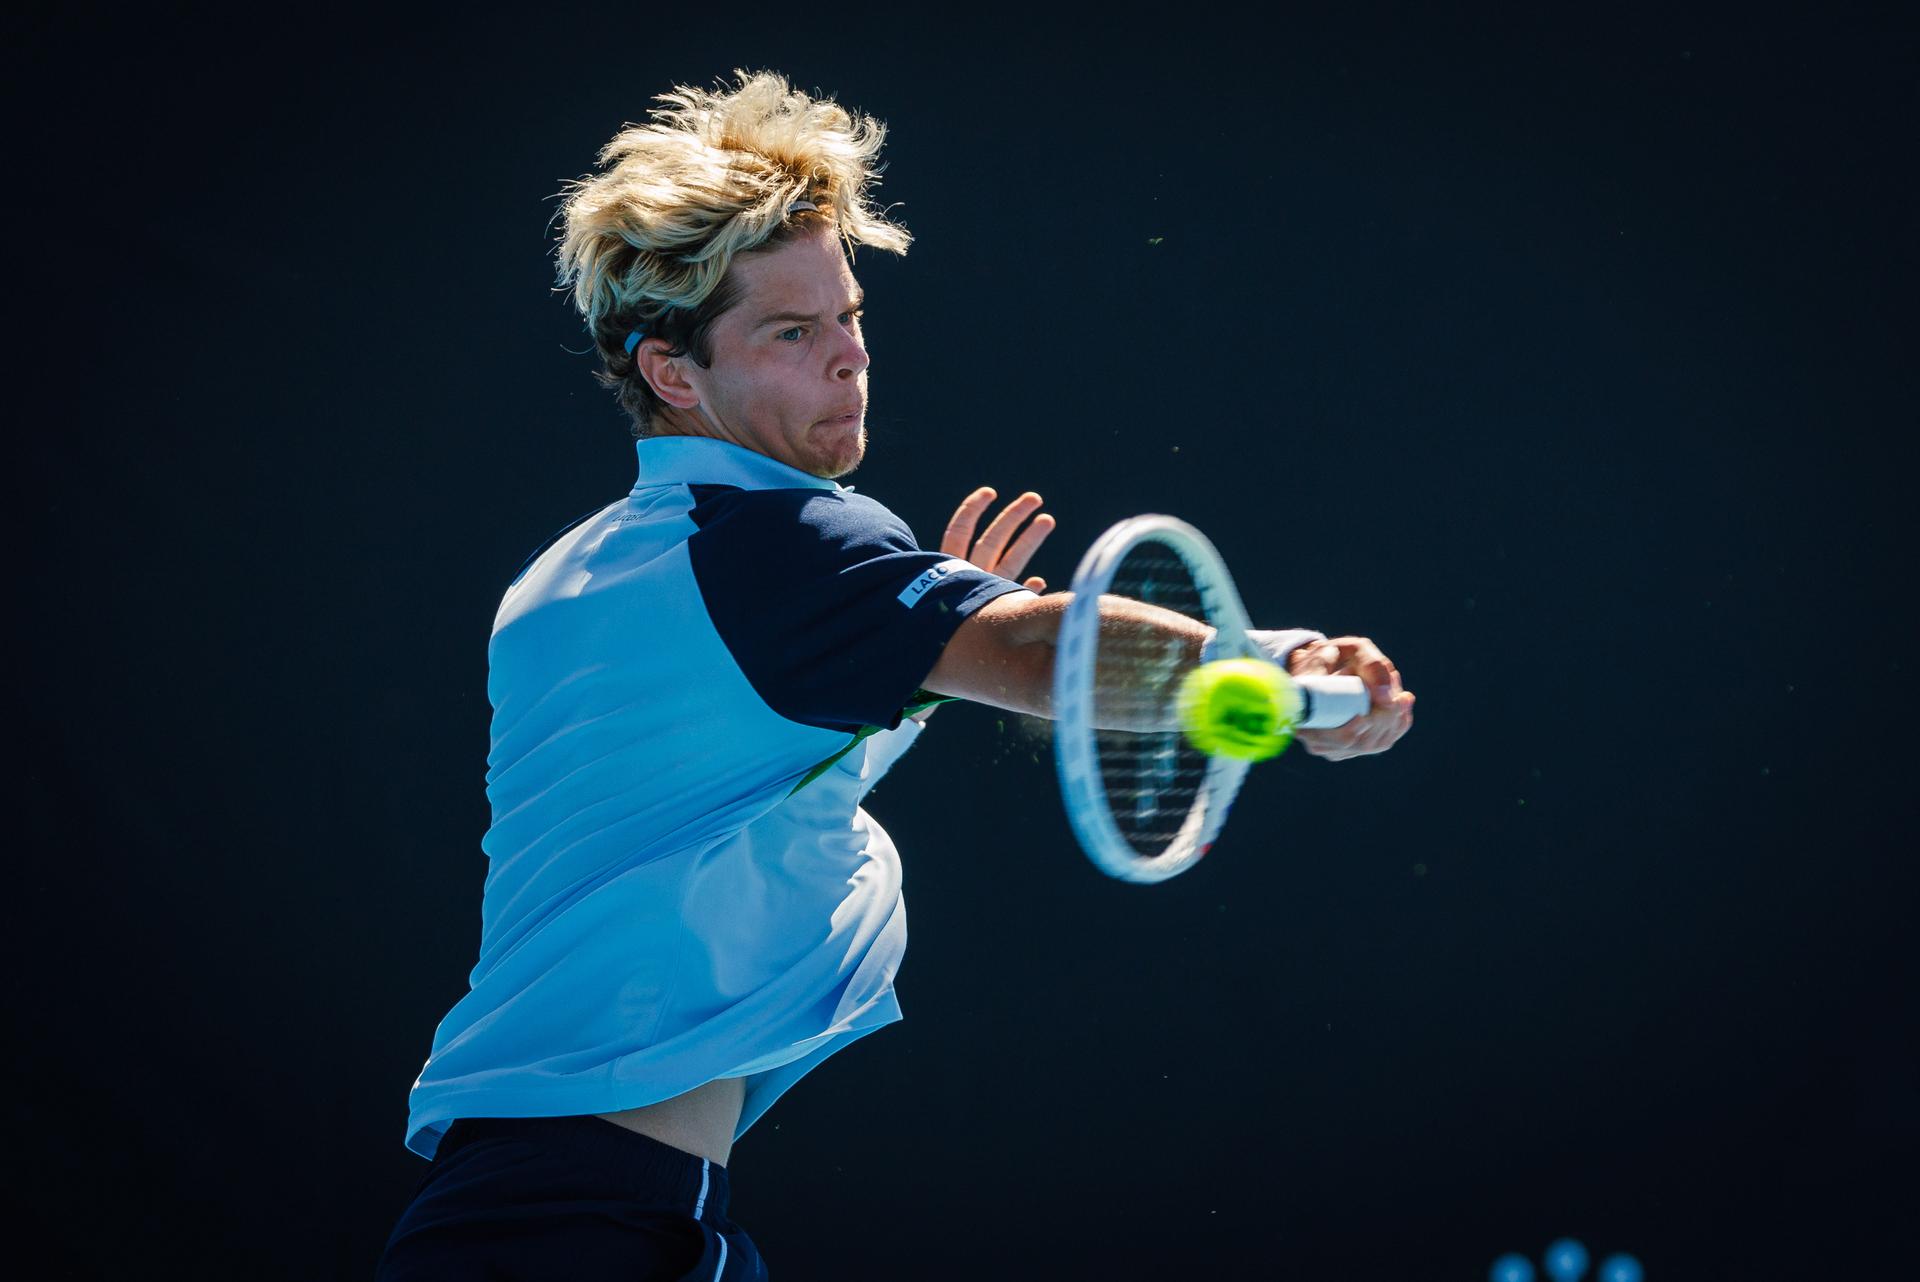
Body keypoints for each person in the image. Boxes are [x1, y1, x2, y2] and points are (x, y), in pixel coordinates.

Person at [376, 70, 1413, 1282]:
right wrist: (1276, 667)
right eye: (792, 331)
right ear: (673, 372)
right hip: (574, 1234)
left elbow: (725, 803)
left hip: (543, 1212)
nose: (850, 359)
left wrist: (910, 657)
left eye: (851, 316)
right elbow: (1042, 652)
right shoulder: (777, 544)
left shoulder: (576, 575)